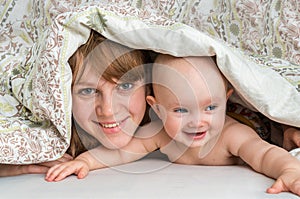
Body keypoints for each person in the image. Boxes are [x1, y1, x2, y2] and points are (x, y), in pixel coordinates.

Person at [45, 54, 300, 196]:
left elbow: (265, 154)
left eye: (211, 107)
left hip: (258, 125)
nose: (198, 121)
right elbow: (123, 151)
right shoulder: (162, 135)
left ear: (227, 99)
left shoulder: (232, 135)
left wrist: (289, 171)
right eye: (180, 110)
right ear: (156, 108)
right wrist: (86, 162)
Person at [1, 29, 152, 177]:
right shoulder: (43, 143)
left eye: (125, 86)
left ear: (148, 88)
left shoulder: (167, 126)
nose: (108, 110)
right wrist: (9, 164)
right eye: (88, 91)